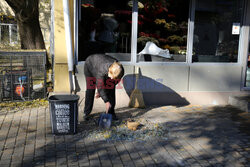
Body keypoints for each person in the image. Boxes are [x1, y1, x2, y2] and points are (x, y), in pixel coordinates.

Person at [84, 54, 124, 120]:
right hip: (90, 64)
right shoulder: (101, 70)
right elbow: (100, 86)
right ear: (109, 71)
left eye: (113, 78)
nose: (111, 78)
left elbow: (113, 84)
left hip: (100, 62)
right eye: (111, 76)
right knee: (90, 88)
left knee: (110, 87)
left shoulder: (120, 70)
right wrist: (106, 101)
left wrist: (103, 92)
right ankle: (86, 113)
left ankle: (111, 113)